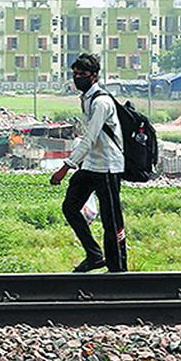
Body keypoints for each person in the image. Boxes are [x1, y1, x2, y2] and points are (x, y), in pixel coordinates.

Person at [50, 53, 127, 273]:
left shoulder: (101, 102)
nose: (77, 78)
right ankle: (94, 255)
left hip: (108, 167)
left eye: (81, 74)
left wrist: (65, 167)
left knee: (111, 221)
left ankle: (118, 269)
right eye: (74, 74)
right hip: (92, 164)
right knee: (70, 207)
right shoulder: (87, 99)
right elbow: (89, 140)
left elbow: (90, 137)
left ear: (93, 76)